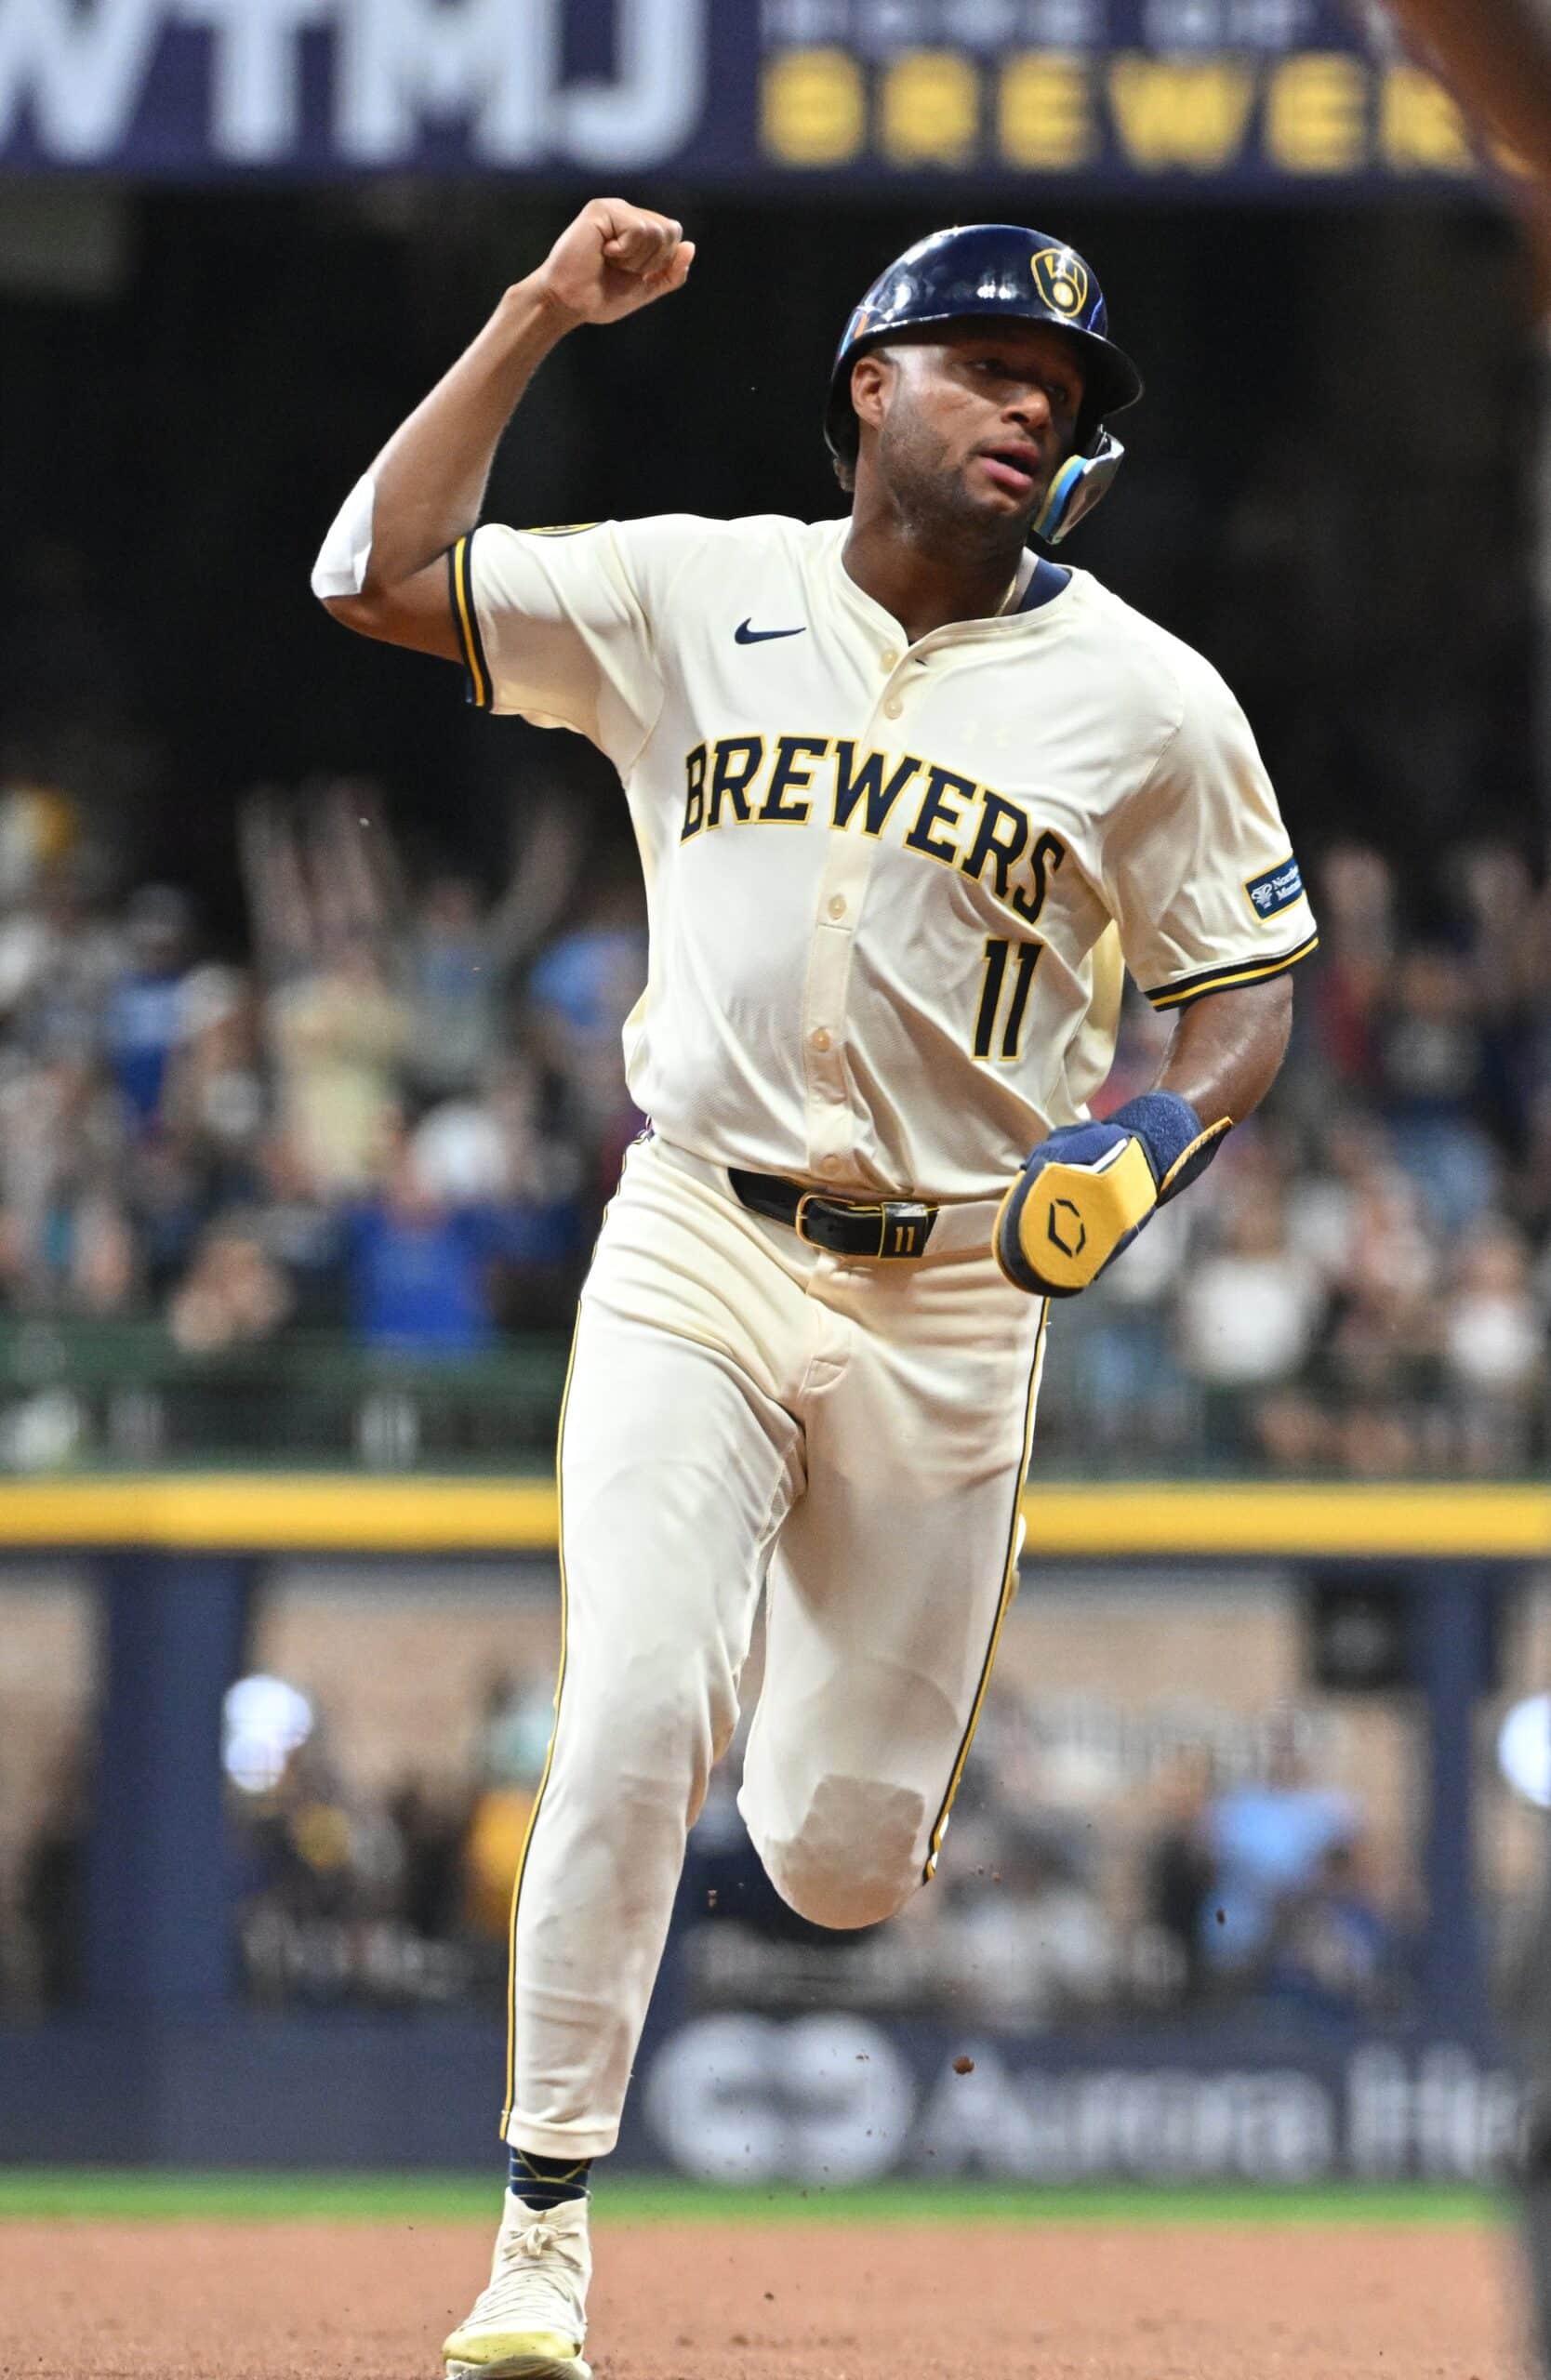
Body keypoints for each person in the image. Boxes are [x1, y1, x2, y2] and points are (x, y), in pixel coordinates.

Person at [314, 199, 1318, 2380]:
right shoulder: (698, 586)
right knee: (638, 1706)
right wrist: (532, 317)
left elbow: (1249, 985)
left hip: (956, 1296)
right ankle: (540, 2242)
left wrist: (1153, 1138)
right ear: (873, 385)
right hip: (700, 1226)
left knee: (844, 1859)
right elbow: (371, 576)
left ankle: (804, 1628)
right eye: (986, 367)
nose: (1028, 405)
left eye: (1057, 394)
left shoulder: (1151, 697)